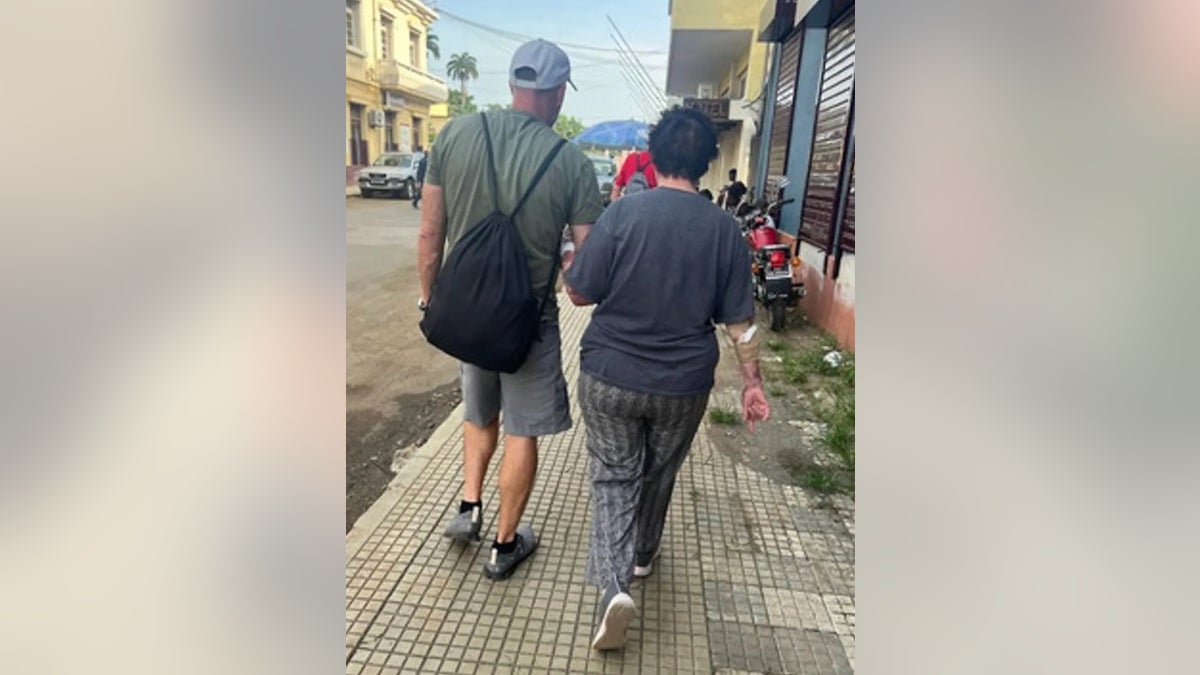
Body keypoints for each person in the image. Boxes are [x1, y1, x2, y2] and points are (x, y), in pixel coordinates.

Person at [563, 107, 771, 650]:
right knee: (659, 471)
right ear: (705, 163)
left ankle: (612, 589)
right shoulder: (725, 231)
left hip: (609, 374)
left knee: (614, 476)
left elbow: (580, 292)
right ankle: (643, 557)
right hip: (683, 383)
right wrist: (752, 382)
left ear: (653, 155)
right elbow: (740, 325)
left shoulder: (623, 215)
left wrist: (571, 262)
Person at [417, 39, 603, 580]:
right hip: (528, 322)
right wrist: (569, 260)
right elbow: (584, 266)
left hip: (466, 311)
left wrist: (430, 299)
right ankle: (504, 544)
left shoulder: (455, 133)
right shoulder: (571, 163)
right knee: (521, 429)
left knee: (478, 414)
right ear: (559, 93)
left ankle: (468, 506)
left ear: (512, 85)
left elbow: (431, 234)